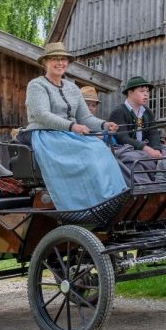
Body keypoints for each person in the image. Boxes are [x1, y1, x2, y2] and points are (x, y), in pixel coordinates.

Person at [18, 42, 126, 212]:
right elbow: (41, 115)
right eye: (55, 59)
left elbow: (86, 117)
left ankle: (110, 199)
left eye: (63, 59)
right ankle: (83, 205)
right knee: (89, 152)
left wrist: (104, 124)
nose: (60, 63)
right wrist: (72, 126)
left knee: (100, 148)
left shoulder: (72, 88)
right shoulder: (37, 85)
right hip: (44, 133)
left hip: (67, 134)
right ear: (45, 62)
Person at [107, 76, 163, 159]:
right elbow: (123, 138)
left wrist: (156, 149)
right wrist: (146, 149)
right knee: (135, 159)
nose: (146, 94)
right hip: (126, 150)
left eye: (147, 91)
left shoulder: (147, 112)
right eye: (142, 91)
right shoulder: (119, 112)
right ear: (130, 93)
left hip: (145, 148)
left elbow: (153, 133)